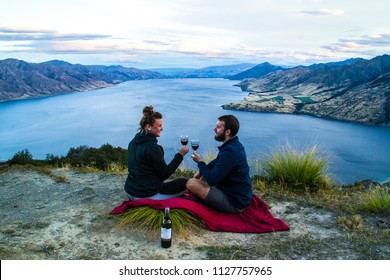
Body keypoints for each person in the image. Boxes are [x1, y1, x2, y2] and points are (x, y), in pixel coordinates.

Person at [186, 115, 252, 213]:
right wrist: (200, 172)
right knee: (195, 181)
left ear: (227, 132)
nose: (214, 129)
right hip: (237, 195)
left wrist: (200, 162)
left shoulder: (230, 151)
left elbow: (211, 180)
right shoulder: (234, 145)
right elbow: (218, 160)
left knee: (191, 183)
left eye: (218, 127)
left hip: (234, 203)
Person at [124, 106, 189, 200]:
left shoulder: (133, 141)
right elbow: (165, 174)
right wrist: (180, 155)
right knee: (184, 183)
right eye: (159, 126)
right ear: (148, 127)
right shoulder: (152, 147)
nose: (162, 129)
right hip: (146, 195)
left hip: (130, 191)